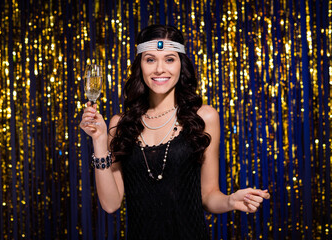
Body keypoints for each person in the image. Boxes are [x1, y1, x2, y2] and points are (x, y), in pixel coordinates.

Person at [80, 24, 270, 239]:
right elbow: (111, 203)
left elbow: (208, 196)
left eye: (170, 59)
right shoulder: (121, 124)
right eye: (150, 59)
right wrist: (99, 139)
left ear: (181, 65)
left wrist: (230, 201)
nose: (160, 69)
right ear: (140, 65)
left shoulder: (204, 118)